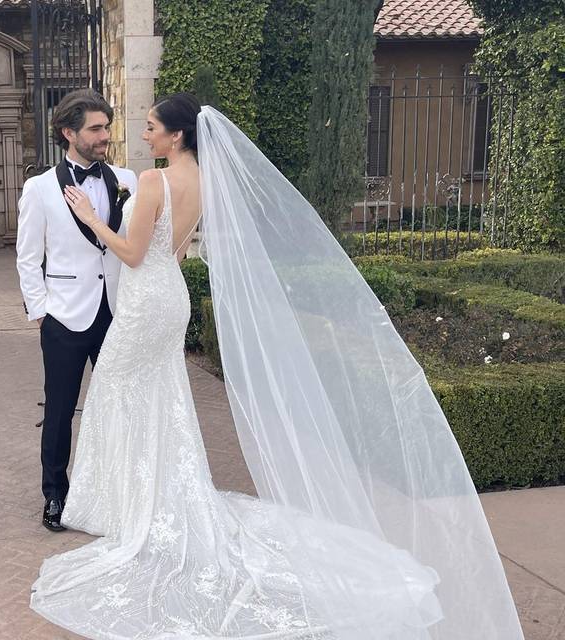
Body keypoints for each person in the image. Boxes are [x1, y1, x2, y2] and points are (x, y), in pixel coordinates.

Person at [29, 93, 524, 640]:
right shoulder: (206, 181)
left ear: (176, 136)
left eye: (150, 128)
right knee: (159, 396)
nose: (141, 135)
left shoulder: (150, 181)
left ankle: (124, 504)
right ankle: (146, 493)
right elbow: (170, 251)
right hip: (168, 299)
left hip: (145, 301)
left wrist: (93, 219)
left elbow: (133, 253)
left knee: (118, 395)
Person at [16, 89, 138, 532]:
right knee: (61, 410)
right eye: (96, 128)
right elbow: (28, 256)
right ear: (69, 133)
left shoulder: (128, 180)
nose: (105, 135)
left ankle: (116, 490)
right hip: (64, 316)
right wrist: (41, 312)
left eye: (106, 126)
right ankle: (55, 495)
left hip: (117, 312)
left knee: (119, 404)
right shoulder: (40, 189)